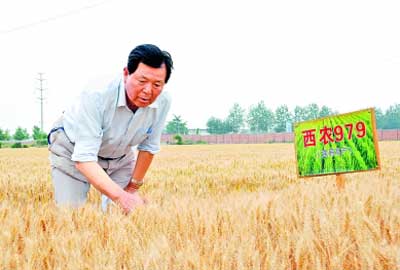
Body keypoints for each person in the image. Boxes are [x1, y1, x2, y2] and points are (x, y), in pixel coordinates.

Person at [47, 44, 173, 214]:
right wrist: (121, 197)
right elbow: (84, 158)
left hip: (119, 155)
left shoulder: (163, 101)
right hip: (72, 148)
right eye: (142, 81)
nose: (148, 91)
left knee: (124, 217)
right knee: (71, 216)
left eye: (157, 84)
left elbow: (149, 147)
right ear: (126, 73)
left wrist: (132, 187)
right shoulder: (97, 95)